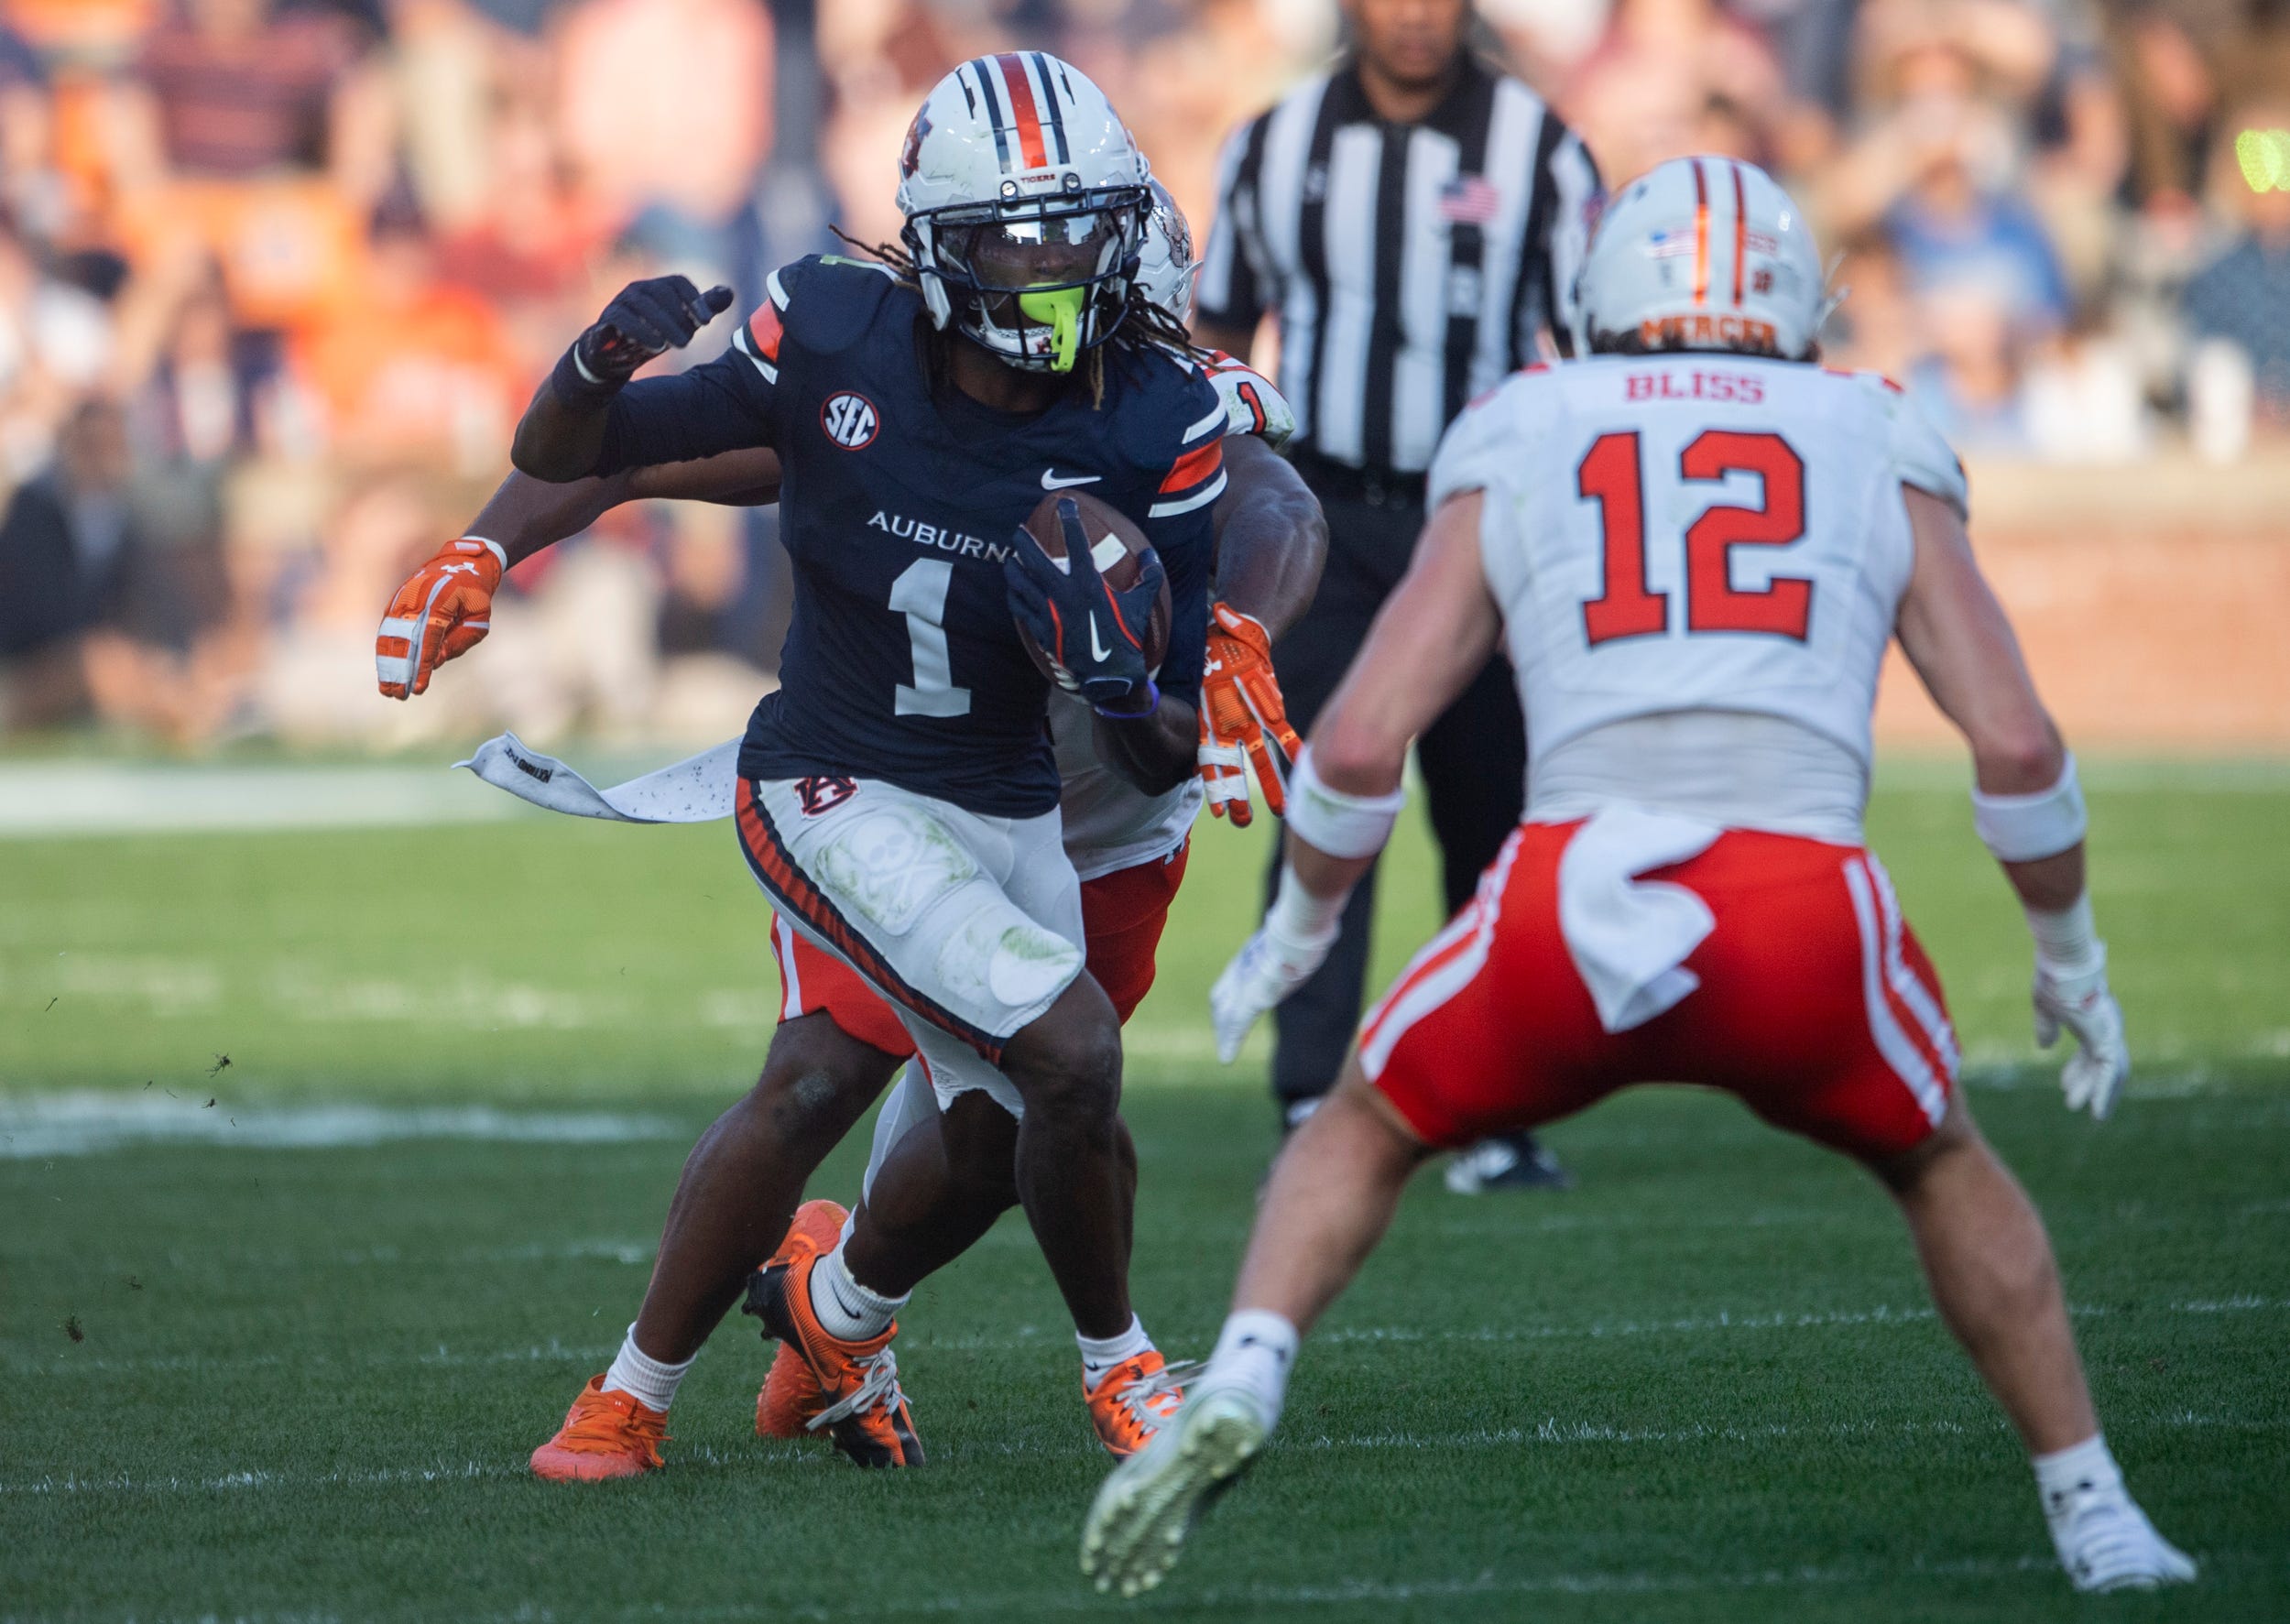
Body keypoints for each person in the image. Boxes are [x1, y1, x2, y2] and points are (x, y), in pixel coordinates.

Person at [1081, 157, 2197, 1598]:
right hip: (1804, 911)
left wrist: (1297, 932)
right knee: (1942, 1163)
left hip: (1568, 899)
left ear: (1605, 297)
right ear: (1798, 302)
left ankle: (1245, 1366)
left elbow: (1360, 736)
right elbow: (2018, 740)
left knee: (1360, 1122)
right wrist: (2073, 962)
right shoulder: (1871, 428)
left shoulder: (1531, 420)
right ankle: (2094, 1506)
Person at [378, 93, 1323, 1474]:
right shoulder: (872, 369)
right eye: (1022, 252)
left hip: (1088, 810)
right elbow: (655, 449)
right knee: (835, 1070)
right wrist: (483, 544)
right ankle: (648, 1387)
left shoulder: (1161, 403)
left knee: (1022, 1124)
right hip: (873, 774)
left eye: (1091, 261)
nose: (1066, 299)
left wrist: (1230, 633)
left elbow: (1276, 509)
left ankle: (839, 1311)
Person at [1192, 0, 1600, 1190]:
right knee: (1326, 793)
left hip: (1476, 516)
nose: (1416, 15)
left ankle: (1493, 1103)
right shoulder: (1276, 142)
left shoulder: (1540, 144)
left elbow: (1589, 354)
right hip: (1319, 513)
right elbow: (1216, 335)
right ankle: (1313, 1094)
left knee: (1491, 811)